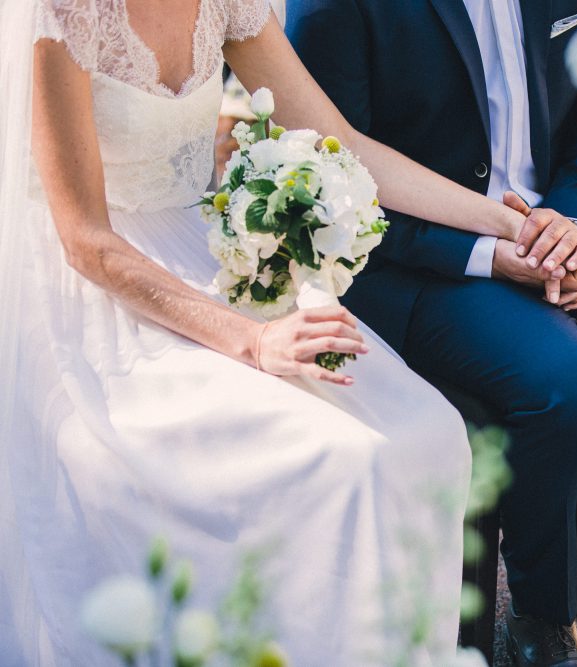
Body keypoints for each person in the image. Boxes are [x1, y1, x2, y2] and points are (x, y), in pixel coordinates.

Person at [0, 0, 533, 663]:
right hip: (98, 297)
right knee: (341, 457)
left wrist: (507, 224)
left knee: (430, 432)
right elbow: (85, 241)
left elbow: (344, 142)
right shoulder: (59, 13)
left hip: (204, 257)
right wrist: (252, 341)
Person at [287, 0, 577, 664]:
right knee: (569, 384)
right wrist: (491, 252)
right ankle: (539, 620)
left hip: (561, 216)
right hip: (420, 256)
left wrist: (576, 225)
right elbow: (334, 175)